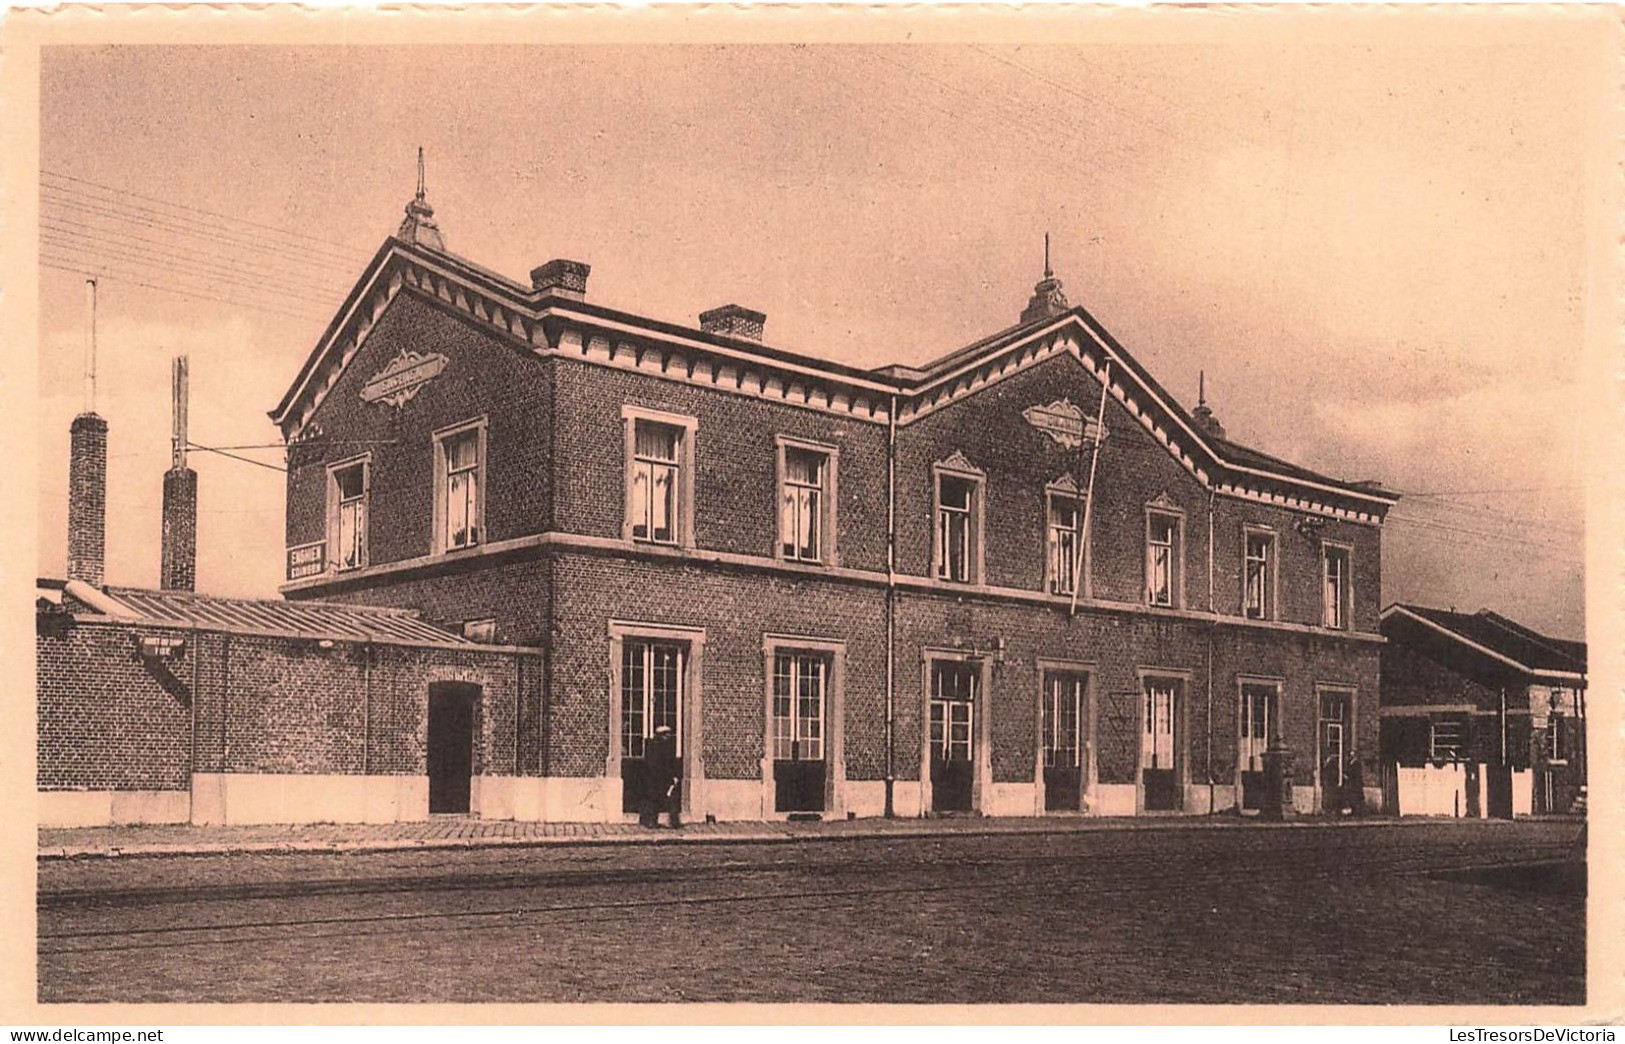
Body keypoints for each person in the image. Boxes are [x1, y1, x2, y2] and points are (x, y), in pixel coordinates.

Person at [643, 723, 681, 828]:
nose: (668, 736)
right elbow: (665, 763)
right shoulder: (662, 747)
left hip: (657, 778)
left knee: (657, 799)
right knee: (663, 799)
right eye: (667, 734)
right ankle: (671, 821)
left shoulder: (653, 746)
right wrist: (672, 776)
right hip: (659, 778)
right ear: (662, 735)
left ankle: (653, 821)